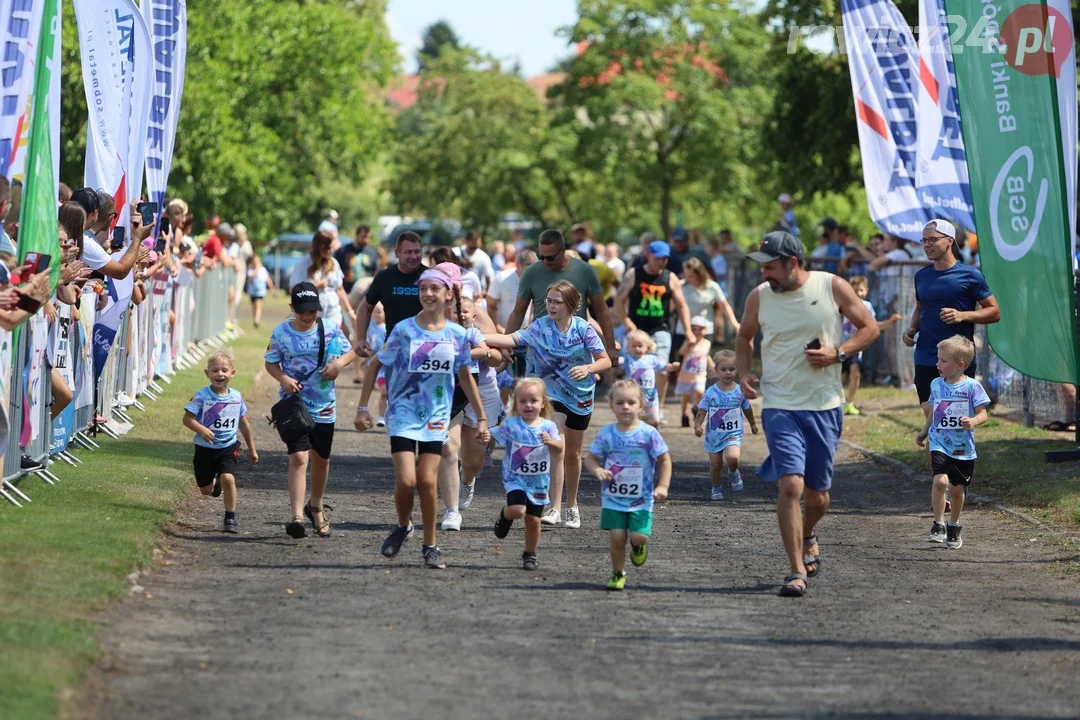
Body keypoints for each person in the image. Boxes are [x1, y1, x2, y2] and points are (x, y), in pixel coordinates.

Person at [737, 231, 879, 598]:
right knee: (790, 486)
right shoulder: (759, 297)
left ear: (792, 263)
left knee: (817, 498)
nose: (764, 274)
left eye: (770, 267)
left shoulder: (831, 286)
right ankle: (796, 569)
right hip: (780, 404)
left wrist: (839, 353)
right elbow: (744, 337)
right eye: (762, 267)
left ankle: (809, 533)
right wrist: (743, 374)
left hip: (824, 404)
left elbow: (870, 328)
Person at [355, 263, 490, 570]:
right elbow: (376, 364)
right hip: (402, 413)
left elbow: (466, 377)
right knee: (405, 481)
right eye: (423, 289)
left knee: (427, 483)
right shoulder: (403, 330)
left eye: (434, 289)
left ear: (448, 296)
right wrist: (363, 407)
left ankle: (431, 546)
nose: (427, 294)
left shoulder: (457, 335)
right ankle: (404, 525)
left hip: (436, 416)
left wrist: (481, 418)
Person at [484, 280, 612, 529]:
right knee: (558, 447)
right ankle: (553, 508)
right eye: (548, 301)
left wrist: (588, 368)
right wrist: (474, 335)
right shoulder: (539, 327)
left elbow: (605, 360)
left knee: (573, 455)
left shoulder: (583, 329)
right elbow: (510, 338)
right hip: (551, 394)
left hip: (580, 395)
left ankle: (572, 506)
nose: (551, 306)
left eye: (557, 302)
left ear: (571, 304)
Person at [264, 282, 356, 539]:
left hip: (324, 405)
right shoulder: (281, 333)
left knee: (321, 459)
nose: (307, 316)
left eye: (312, 311)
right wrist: (283, 379)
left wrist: (338, 364)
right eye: (302, 311)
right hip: (294, 406)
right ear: (292, 308)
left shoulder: (330, 330)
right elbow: (270, 363)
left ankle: (315, 505)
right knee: (299, 458)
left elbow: (350, 353)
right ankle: (296, 517)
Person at [903, 219, 1000, 413]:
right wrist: (912, 329)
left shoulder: (970, 275)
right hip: (926, 355)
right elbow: (921, 308)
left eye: (932, 240)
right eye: (924, 241)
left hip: (958, 358)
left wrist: (963, 316)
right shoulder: (921, 276)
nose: (927, 245)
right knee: (932, 415)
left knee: (955, 420)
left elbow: (994, 311)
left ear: (949, 241)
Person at [584, 380, 671, 591]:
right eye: (620, 402)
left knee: (638, 536)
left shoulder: (649, 434)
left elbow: (665, 460)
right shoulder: (606, 434)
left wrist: (663, 486)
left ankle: (638, 546)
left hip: (641, 498)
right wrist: (596, 470)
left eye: (631, 402)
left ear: (641, 406)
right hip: (613, 497)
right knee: (616, 536)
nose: (626, 407)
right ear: (612, 406)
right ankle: (618, 572)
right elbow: (590, 458)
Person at [916, 335, 990, 550]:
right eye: (938, 359)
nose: (937, 364)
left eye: (943, 361)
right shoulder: (936, 384)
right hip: (939, 441)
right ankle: (938, 524)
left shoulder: (972, 387)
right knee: (940, 481)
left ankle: (954, 524)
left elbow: (983, 413)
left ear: (960, 365)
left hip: (963, 447)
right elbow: (934, 411)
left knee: (957, 491)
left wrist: (973, 421)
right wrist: (923, 431)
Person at [504, 228, 617, 369]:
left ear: (563, 250)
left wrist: (610, 346)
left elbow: (601, 310)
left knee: (577, 387)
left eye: (550, 257)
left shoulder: (584, 271)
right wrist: (506, 345)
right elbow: (518, 311)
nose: (545, 261)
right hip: (540, 347)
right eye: (541, 256)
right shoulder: (531, 272)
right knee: (536, 390)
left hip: (575, 348)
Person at [438, 288, 502, 531]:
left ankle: (467, 479)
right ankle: (451, 508)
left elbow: (487, 352)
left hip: (481, 391)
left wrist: (474, 353)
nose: (461, 315)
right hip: (452, 393)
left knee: (474, 460)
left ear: (473, 317)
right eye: (457, 311)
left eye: (466, 311)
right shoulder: (442, 332)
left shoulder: (474, 333)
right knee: (449, 448)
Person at [615, 240, 695, 424]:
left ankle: (657, 409)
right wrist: (627, 323)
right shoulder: (634, 274)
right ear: (648, 256)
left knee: (661, 368)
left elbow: (682, 306)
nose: (662, 262)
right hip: (637, 329)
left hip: (661, 328)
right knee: (633, 367)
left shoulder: (670, 277)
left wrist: (688, 330)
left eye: (665, 258)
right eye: (658, 258)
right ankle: (634, 405)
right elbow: (619, 301)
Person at [490, 377, 563, 571]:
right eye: (522, 401)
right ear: (516, 403)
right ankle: (505, 516)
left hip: (539, 481)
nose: (528, 405)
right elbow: (492, 435)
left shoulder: (548, 426)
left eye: (533, 401)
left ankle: (530, 554)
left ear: (543, 403)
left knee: (533, 520)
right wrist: (482, 436)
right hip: (515, 479)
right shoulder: (511, 424)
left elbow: (560, 448)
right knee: (517, 510)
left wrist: (551, 442)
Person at [182, 351, 258, 534]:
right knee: (205, 490)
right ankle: (215, 486)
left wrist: (253, 449)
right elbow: (187, 419)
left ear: (233, 373)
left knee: (228, 478)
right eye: (215, 370)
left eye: (224, 370)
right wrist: (201, 429)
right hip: (205, 448)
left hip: (228, 446)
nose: (220, 374)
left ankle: (230, 518)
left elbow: (244, 424)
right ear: (207, 373)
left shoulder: (236, 397)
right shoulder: (201, 396)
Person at [695, 349, 757, 501]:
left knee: (733, 457)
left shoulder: (739, 391)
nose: (728, 373)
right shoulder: (710, 393)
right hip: (714, 435)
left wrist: (753, 424)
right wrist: (697, 425)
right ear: (716, 370)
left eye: (732, 369)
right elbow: (701, 411)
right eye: (723, 369)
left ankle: (734, 472)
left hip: (733, 434)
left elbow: (747, 409)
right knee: (715, 465)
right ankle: (716, 488)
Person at [354, 231, 425, 352]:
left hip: (425, 345)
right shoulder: (385, 277)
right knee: (372, 369)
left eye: (417, 251)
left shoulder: (429, 277)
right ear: (397, 253)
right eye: (408, 252)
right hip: (394, 346)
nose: (413, 256)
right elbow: (365, 307)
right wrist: (360, 338)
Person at [843, 276, 900, 415]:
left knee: (855, 372)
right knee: (840, 376)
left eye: (861, 290)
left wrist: (889, 322)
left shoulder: (867, 307)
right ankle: (835, 401)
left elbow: (873, 326)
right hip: (841, 345)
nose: (858, 293)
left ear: (866, 291)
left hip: (856, 346)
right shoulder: (843, 304)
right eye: (854, 290)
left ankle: (849, 403)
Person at [288, 231, 354, 331]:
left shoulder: (333, 263)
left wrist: (350, 312)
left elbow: (340, 289)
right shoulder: (303, 264)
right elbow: (293, 290)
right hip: (311, 313)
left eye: (332, 247)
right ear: (320, 247)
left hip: (332, 310)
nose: (331, 251)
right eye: (328, 248)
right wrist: (315, 285)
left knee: (330, 339)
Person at [675, 257, 740, 346]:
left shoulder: (712, 286)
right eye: (686, 275)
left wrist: (734, 323)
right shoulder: (681, 285)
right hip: (684, 330)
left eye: (691, 276)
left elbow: (724, 306)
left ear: (699, 274)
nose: (688, 278)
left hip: (704, 330)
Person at [624, 329, 679, 426]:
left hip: (651, 398)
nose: (637, 349)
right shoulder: (628, 359)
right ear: (628, 347)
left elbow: (664, 366)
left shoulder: (652, 359)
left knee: (655, 422)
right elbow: (618, 361)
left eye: (640, 346)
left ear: (647, 347)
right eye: (634, 346)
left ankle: (653, 437)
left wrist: (673, 367)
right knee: (635, 423)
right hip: (634, 398)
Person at [676, 317, 714, 427]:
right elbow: (682, 352)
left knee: (700, 391)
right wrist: (688, 343)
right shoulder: (688, 342)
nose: (697, 332)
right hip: (686, 375)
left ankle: (695, 406)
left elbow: (706, 356)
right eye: (694, 329)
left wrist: (713, 367)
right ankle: (684, 414)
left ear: (705, 330)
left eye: (700, 329)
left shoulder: (707, 343)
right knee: (686, 397)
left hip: (700, 374)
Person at [488, 248, 535, 331]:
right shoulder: (502, 278)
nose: (530, 274)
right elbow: (491, 304)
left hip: (527, 335)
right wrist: (497, 327)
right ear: (517, 265)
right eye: (526, 270)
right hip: (505, 333)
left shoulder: (536, 280)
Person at [361, 302, 388, 424]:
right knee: (384, 391)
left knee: (388, 393)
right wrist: (366, 360)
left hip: (387, 365)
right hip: (377, 368)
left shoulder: (388, 329)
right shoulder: (371, 327)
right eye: (375, 312)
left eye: (380, 312)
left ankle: (385, 415)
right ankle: (381, 417)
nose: (377, 314)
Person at [336, 225, 378, 293]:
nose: (366, 240)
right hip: (346, 290)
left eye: (368, 237)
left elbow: (374, 272)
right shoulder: (343, 250)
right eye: (363, 237)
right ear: (357, 235)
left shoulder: (372, 253)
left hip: (364, 291)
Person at [458, 230, 495, 295]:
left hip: (475, 294)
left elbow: (489, 279)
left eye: (475, 247)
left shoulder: (484, 257)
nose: (473, 250)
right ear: (466, 242)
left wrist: (484, 293)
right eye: (471, 247)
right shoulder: (457, 252)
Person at [245, 255, 274, 328]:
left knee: (258, 305)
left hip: (260, 291)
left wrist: (271, 288)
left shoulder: (263, 270)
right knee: (254, 306)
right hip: (252, 292)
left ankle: (257, 320)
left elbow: (268, 279)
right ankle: (255, 318)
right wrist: (257, 268)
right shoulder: (250, 270)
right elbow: (251, 277)